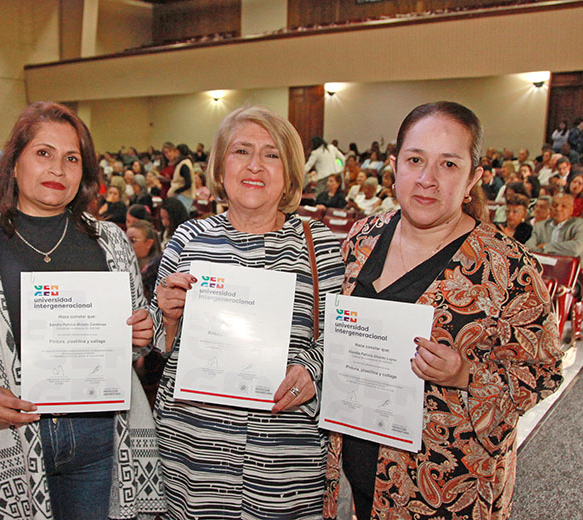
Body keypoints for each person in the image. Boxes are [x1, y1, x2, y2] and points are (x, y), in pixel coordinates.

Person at [323, 101, 563, 520]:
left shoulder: (507, 267)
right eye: (415, 160)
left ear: (473, 179)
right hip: (359, 469)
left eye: (448, 164)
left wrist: (466, 375)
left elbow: (543, 373)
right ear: (395, 166)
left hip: (448, 490)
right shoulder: (364, 237)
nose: (427, 179)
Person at [0, 101, 164, 520]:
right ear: (14, 163)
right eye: (43, 153)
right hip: (5, 437)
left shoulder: (111, 242)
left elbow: (132, 341)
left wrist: (139, 334)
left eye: (71, 158)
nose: (58, 169)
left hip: (97, 436)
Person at [152, 105, 344, 519]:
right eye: (241, 151)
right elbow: (158, 342)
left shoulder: (320, 244)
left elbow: (339, 336)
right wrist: (166, 317)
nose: (255, 165)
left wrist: (312, 370)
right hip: (193, 452)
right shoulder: (189, 238)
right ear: (220, 166)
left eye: (272, 154)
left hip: (283, 455)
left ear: (289, 173)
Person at [525, 192, 583, 260]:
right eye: (555, 205)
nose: (558, 209)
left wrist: (545, 246)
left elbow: (576, 249)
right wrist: (564, 248)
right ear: (550, 208)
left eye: (564, 206)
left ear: (571, 210)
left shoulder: (579, 225)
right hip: (543, 264)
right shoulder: (540, 226)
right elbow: (528, 247)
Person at [166, 143, 196, 211]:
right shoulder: (183, 163)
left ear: (178, 152)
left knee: (182, 215)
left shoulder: (184, 164)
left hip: (184, 196)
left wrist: (177, 191)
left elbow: (188, 183)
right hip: (182, 195)